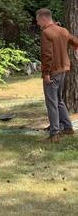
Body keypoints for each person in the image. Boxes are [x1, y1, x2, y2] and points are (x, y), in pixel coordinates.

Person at [36, 8, 78, 142]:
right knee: (59, 100)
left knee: (52, 102)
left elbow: (47, 55)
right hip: (64, 70)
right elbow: (75, 41)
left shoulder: (46, 33)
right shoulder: (63, 30)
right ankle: (68, 128)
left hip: (53, 71)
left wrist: (46, 73)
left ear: (43, 18)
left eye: (38, 21)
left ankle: (54, 134)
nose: (38, 24)